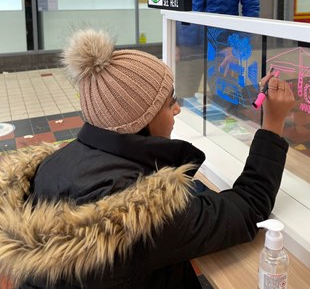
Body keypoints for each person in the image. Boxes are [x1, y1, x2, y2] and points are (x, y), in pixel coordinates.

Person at [0, 28, 294, 289]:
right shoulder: (141, 215)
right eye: (170, 103)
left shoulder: (53, 163)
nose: (177, 110)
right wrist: (273, 126)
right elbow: (248, 207)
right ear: (139, 121)